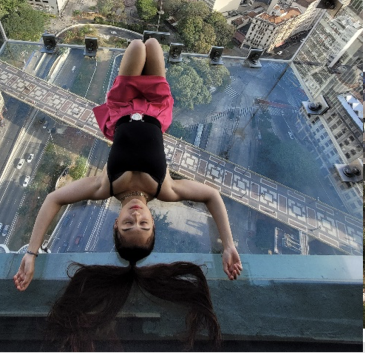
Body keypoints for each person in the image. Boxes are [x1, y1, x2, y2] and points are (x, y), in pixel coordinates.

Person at [14, 38, 242, 350]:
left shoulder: (104, 186)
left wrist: (31, 252)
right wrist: (228, 245)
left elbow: (54, 199)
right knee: (153, 46)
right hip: (156, 108)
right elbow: (212, 196)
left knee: (137, 46)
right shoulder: (166, 190)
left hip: (122, 107)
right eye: (143, 225)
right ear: (153, 221)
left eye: (127, 225)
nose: (136, 217)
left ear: (115, 223)